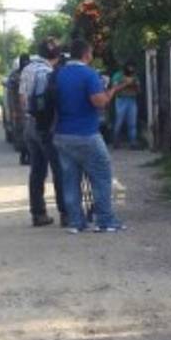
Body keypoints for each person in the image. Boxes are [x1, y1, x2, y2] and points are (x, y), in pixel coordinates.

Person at [54, 38, 132, 233]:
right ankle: (105, 220)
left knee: (70, 179)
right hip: (86, 133)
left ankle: (76, 222)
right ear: (86, 54)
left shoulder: (58, 74)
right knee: (102, 175)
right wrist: (112, 90)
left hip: (62, 134)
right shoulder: (88, 74)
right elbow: (99, 102)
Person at [19, 40, 67, 227]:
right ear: (56, 57)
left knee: (37, 171)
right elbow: (51, 104)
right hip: (46, 127)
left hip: (29, 125)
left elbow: (23, 99)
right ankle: (66, 212)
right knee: (59, 170)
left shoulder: (28, 69)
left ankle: (38, 214)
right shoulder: (48, 73)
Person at [7, 54, 31, 165]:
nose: (25, 63)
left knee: (31, 134)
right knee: (20, 133)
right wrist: (13, 110)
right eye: (24, 61)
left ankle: (30, 155)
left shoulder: (32, 73)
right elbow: (11, 94)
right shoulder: (14, 76)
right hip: (18, 109)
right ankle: (23, 155)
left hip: (31, 109)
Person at [110, 61, 140, 148]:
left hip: (132, 100)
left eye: (133, 67)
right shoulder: (118, 75)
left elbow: (139, 91)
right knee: (119, 121)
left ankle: (133, 142)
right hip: (121, 100)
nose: (131, 69)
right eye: (130, 67)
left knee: (132, 123)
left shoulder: (134, 76)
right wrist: (126, 84)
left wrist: (135, 85)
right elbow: (114, 89)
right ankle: (115, 142)